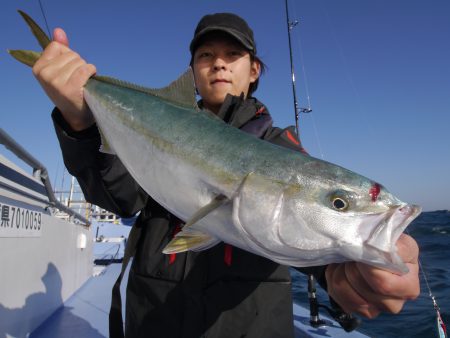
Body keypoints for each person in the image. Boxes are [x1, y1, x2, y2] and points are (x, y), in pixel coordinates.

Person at [32, 12, 420, 338]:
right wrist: (80, 125)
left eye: (233, 54)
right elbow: (120, 197)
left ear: (254, 71)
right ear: (193, 73)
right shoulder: (163, 123)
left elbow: (290, 224)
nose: (219, 63)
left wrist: (338, 272)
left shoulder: (281, 148)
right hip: (154, 319)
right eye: (206, 55)